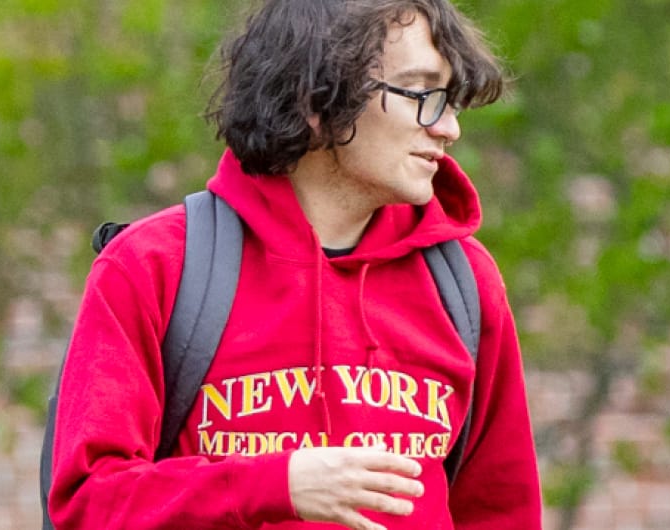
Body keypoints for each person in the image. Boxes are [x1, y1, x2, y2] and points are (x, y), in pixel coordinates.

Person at [40, 0, 540, 528]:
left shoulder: (464, 283)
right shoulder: (152, 268)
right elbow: (88, 504)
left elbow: (502, 512)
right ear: (315, 99)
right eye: (420, 93)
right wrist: (275, 486)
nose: (448, 129)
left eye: (451, 101)